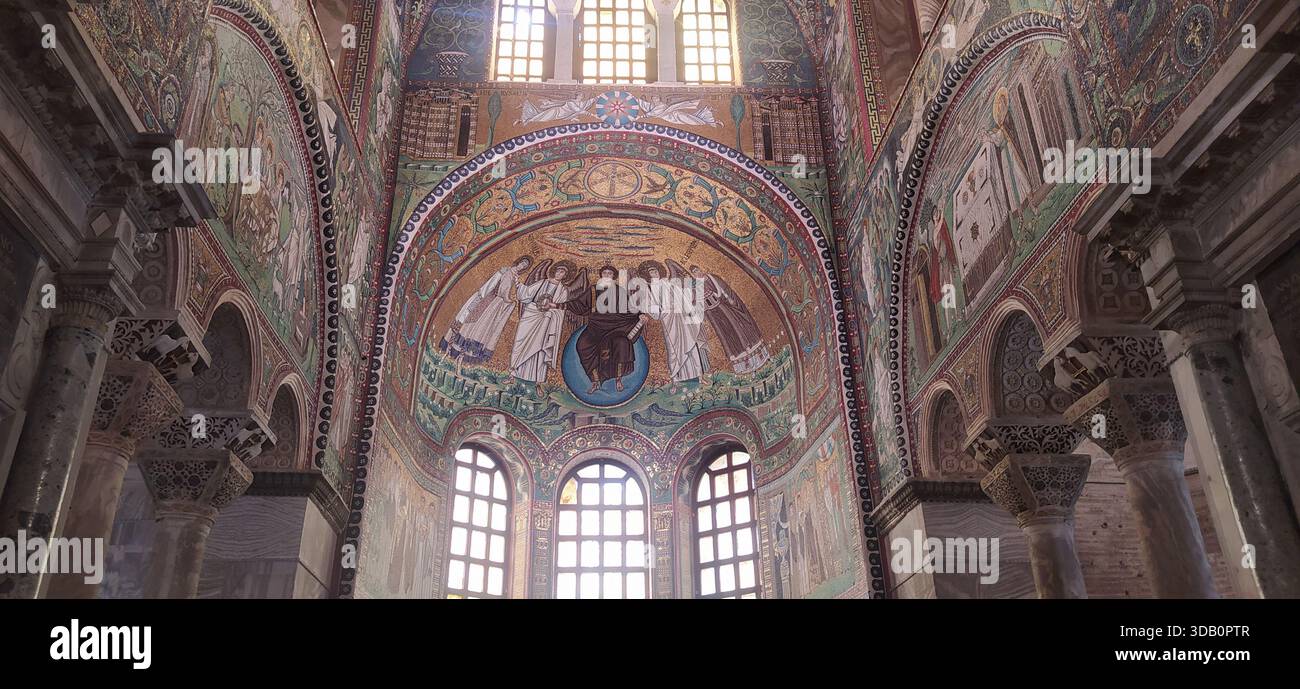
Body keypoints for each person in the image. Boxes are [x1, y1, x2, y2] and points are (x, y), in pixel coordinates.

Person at [559, 265, 646, 393]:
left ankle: (618, 379)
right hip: (595, 328)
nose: (606, 275)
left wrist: (640, 315)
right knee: (583, 344)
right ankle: (595, 381)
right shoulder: (593, 290)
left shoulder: (620, 292)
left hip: (616, 328)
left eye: (609, 273)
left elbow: (631, 308)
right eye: (604, 273)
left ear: (613, 277)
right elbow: (578, 304)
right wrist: (558, 305)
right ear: (601, 275)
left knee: (621, 343)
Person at [441, 256, 532, 372]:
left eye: (524, 266)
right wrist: (510, 300)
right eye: (522, 263)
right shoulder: (507, 272)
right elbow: (502, 291)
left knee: (479, 332)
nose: (522, 266)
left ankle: (460, 359)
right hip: (489, 303)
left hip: (495, 305)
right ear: (518, 262)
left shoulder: (515, 277)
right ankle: (453, 353)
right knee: (472, 327)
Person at [509, 261, 573, 394]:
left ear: (565, 276)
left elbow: (560, 310)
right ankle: (512, 375)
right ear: (554, 271)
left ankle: (538, 383)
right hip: (531, 316)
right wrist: (517, 283)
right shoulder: (543, 282)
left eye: (563, 273)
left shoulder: (563, 291)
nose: (559, 274)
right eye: (559, 271)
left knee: (539, 350)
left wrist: (550, 311)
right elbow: (526, 294)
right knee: (520, 344)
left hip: (546, 322)